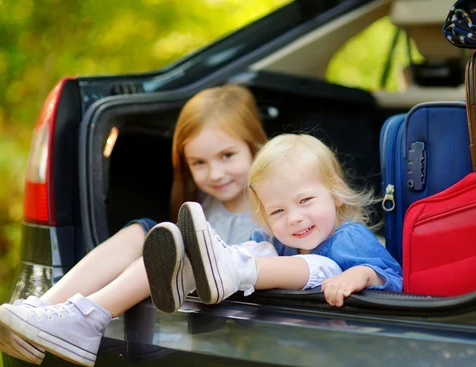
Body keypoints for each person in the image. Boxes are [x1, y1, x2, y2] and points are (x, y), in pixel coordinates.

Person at [0, 84, 268, 367]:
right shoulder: (206, 203)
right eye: (198, 163)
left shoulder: (275, 208)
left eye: (227, 156)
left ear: (256, 147)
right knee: (144, 230)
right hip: (190, 297)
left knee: (166, 248)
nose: (215, 173)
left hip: (226, 306)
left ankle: (85, 321)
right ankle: (39, 312)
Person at [148, 133, 403, 314]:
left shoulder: (349, 237)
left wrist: (361, 274)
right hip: (296, 325)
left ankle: (231, 269)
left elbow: (396, 280)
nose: (294, 218)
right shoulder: (276, 241)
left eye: (305, 200)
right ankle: (193, 271)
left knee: (319, 264)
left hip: (345, 330)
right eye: (278, 210)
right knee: (257, 249)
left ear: (335, 195)